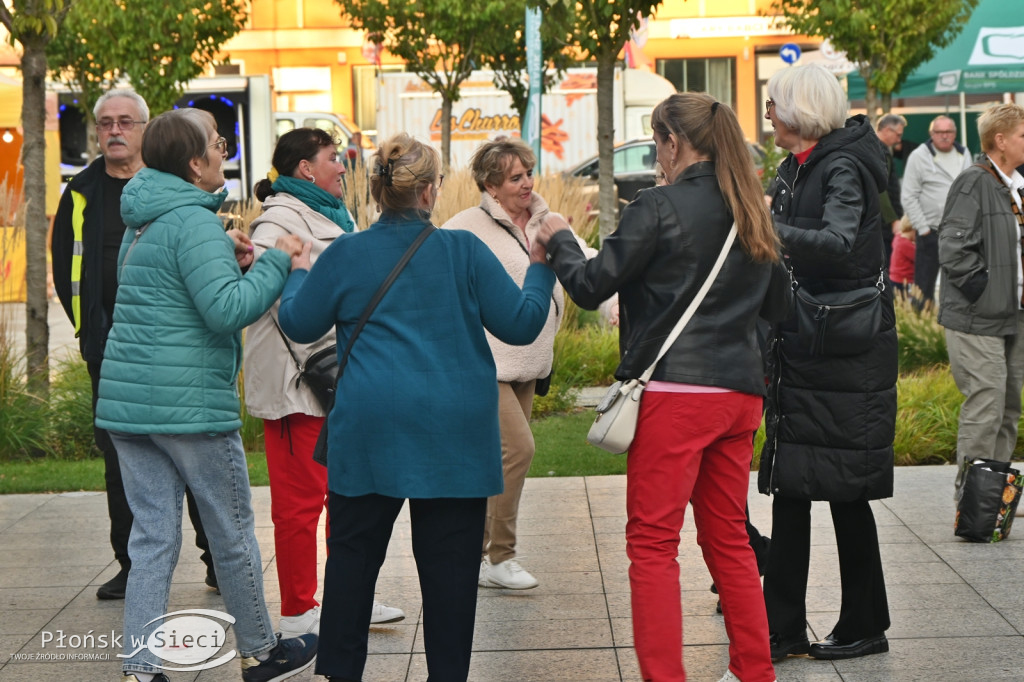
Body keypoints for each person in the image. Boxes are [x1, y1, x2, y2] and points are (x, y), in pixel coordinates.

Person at [277, 133, 554, 682]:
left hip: (369, 430)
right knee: (450, 576)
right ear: (430, 191)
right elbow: (521, 324)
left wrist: (297, 271)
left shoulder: (346, 254)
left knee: (353, 563)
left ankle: (340, 673)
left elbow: (298, 323)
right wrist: (541, 265)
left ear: (378, 191)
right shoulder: (463, 250)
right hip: (453, 433)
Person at [537, 92, 790, 682]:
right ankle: (755, 670)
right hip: (739, 394)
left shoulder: (656, 207)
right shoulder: (752, 209)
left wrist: (559, 239)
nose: (656, 154)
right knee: (727, 538)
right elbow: (779, 307)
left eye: (656, 142)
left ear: (674, 142)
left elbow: (591, 285)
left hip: (676, 396)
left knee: (653, 543)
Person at [94, 108, 317, 682]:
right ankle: (263, 652)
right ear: (195, 164)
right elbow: (227, 312)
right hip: (189, 410)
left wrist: (234, 259)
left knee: (152, 540)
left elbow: (173, 297)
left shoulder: (144, 221)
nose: (224, 152)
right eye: (218, 145)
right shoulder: (193, 224)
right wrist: (275, 262)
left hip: (131, 410)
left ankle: (141, 669)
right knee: (233, 533)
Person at [51, 89, 217, 601]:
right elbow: (66, 272)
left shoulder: (174, 188)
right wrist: (88, 332)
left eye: (125, 122)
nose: (114, 131)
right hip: (111, 351)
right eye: (105, 123)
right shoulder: (80, 192)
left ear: (147, 129)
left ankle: (216, 558)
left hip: (178, 350)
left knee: (195, 452)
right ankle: (130, 563)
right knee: (120, 459)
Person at [760, 63, 896, 663]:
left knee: (844, 491)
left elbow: (840, 243)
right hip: (809, 343)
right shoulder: (798, 165)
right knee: (792, 487)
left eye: (773, 103)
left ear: (801, 110)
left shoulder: (840, 165)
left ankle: (864, 625)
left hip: (844, 351)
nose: (766, 113)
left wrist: (769, 228)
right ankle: (782, 628)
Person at [243, 127, 404, 635]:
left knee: (348, 496)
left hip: (340, 382)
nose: (343, 168)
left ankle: (347, 599)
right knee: (299, 507)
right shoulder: (280, 220)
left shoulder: (331, 215)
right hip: (301, 387)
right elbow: (271, 284)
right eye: (334, 158)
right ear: (306, 168)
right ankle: (297, 611)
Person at [442, 137, 615, 590]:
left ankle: (470, 554)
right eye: (514, 177)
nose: (526, 183)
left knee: (495, 462)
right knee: (519, 451)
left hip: (531, 364)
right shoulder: (464, 227)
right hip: (486, 365)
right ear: (490, 185)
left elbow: (586, 262)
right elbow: (438, 281)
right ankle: (501, 557)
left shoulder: (547, 222)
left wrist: (614, 302)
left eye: (528, 174)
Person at [936, 103, 1024, 499]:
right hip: (977, 316)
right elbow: (953, 250)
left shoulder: (1014, 183)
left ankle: (995, 496)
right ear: (1000, 140)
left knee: (1007, 407)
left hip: (1013, 316)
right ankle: (972, 499)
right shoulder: (974, 181)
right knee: (987, 403)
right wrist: (986, 292)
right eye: (1023, 134)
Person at [902, 115, 973, 308]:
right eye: (939, 132)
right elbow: (908, 196)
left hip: (959, 232)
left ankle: (955, 322)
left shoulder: (963, 153)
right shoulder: (919, 155)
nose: (944, 136)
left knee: (960, 282)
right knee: (924, 285)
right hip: (930, 231)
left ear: (954, 134)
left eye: (948, 132)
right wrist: (922, 228)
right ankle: (921, 328)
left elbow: (970, 190)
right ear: (931, 134)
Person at [876, 114, 907, 266]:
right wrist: (893, 220)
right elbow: (881, 189)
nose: (899, 140)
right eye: (898, 134)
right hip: (883, 227)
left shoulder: (873, 148)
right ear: (887, 130)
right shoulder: (879, 151)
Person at [890, 216, 916, 297]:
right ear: (912, 230)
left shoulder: (898, 238)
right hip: (903, 280)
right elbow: (918, 257)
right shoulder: (906, 244)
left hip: (894, 278)